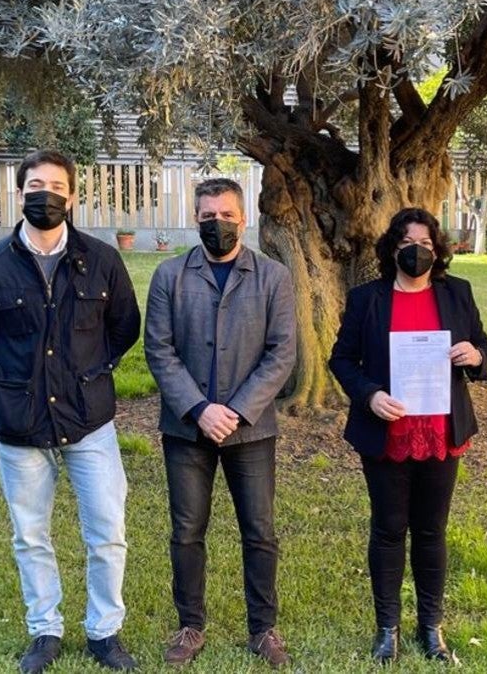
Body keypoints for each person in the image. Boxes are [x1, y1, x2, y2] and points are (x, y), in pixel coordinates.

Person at [0, 150, 142, 673]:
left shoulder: (102, 259)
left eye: (57, 186)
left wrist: (88, 372)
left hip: (90, 421)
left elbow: (123, 328)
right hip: (20, 424)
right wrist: (16, 377)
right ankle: (45, 629)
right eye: (36, 185)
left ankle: (104, 631)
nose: (47, 194)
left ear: (73, 197)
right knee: (30, 534)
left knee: (107, 530)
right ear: (20, 194)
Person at [328, 207, 487, 665]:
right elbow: (341, 360)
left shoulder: (457, 293)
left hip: (441, 431)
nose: (415, 252)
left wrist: (475, 354)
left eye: (423, 244)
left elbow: (485, 347)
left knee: (430, 531)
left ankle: (431, 628)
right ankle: (387, 630)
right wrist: (369, 395)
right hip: (388, 432)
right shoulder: (368, 299)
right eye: (405, 245)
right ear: (391, 250)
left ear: (437, 249)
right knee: (387, 530)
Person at [143, 177, 297, 668]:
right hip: (186, 428)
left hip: (251, 429)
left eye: (226, 216)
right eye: (208, 217)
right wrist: (199, 408)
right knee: (187, 530)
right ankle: (190, 625)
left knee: (260, 530)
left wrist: (236, 409)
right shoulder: (170, 276)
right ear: (196, 219)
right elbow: (159, 350)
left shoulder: (273, 276)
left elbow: (282, 353)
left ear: (243, 219)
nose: (218, 224)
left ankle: (263, 628)